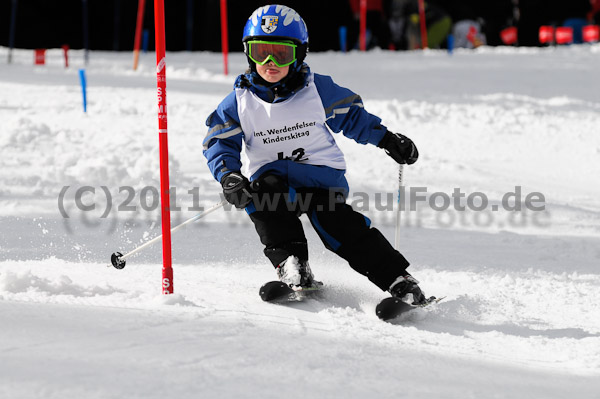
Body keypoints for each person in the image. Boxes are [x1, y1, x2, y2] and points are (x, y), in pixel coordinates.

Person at [203, 4, 427, 305]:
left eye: (281, 54)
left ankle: (399, 281)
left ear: (299, 54)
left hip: (321, 180)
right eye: (260, 53)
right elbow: (220, 141)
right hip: (273, 183)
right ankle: (293, 267)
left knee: (338, 227)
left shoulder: (317, 90)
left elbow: (352, 118)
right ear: (247, 54)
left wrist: (386, 140)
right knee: (264, 203)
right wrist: (228, 175)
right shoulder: (238, 102)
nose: (270, 62)